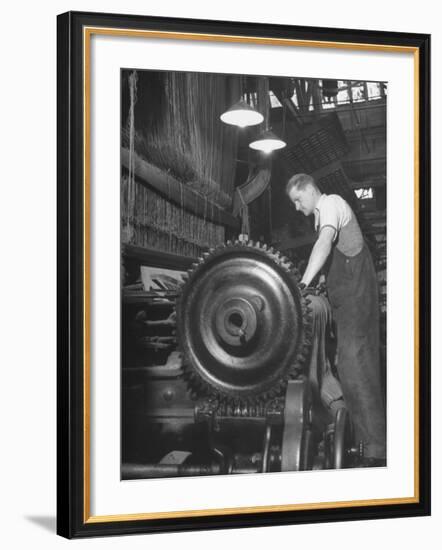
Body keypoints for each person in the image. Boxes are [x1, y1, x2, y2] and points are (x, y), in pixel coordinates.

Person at [286, 173, 386, 467]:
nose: (296, 207)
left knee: (357, 363)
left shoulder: (331, 204)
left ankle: (376, 450)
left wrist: (302, 284)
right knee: (347, 363)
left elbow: (325, 243)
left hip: (356, 297)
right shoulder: (321, 215)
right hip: (347, 302)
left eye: (297, 199)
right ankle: (362, 440)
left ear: (310, 190)